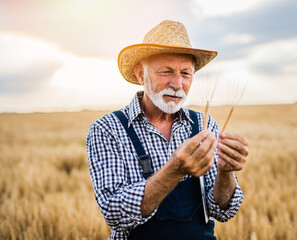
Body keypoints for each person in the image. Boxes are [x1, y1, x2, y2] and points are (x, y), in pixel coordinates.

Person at [87, 20, 249, 240]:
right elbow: (114, 214)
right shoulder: (107, 130)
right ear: (140, 75)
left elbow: (222, 210)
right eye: (166, 71)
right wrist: (174, 170)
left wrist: (226, 172)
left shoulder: (204, 124)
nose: (177, 83)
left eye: (185, 73)